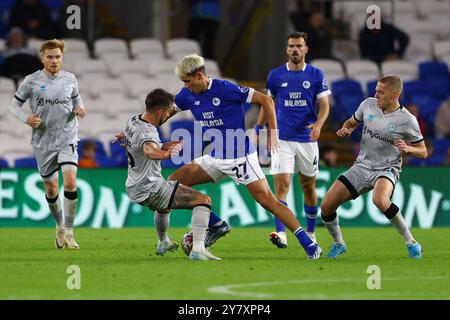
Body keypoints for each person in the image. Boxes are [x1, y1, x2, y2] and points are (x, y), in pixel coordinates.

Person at [165, 53, 322, 259]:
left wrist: (273, 134)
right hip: (215, 157)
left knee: (269, 202)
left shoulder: (226, 88)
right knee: (171, 185)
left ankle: (309, 244)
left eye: (188, 81)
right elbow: (166, 113)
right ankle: (216, 224)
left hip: (241, 157)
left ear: (200, 74)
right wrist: (142, 127)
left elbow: (266, 100)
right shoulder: (187, 95)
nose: (185, 86)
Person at [320, 75, 427, 259]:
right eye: (376, 90)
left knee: (380, 200)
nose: (376, 94)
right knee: (326, 206)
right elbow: (351, 122)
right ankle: (339, 244)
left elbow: (423, 151)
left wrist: (408, 148)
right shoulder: (367, 105)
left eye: (381, 92)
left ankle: (411, 242)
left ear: (395, 94)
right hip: (362, 166)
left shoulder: (407, 120)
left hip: (387, 168)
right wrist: (347, 129)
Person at [114, 88, 221, 261]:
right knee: (203, 200)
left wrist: (163, 145)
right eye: (167, 112)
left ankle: (163, 241)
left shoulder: (134, 121)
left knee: (164, 207)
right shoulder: (148, 131)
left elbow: (137, 140)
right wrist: (166, 154)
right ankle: (198, 250)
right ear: (160, 112)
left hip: (135, 186)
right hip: (150, 187)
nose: (167, 116)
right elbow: (149, 150)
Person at [9, 39, 86, 250]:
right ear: (42, 58)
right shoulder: (32, 81)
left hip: (67, 138)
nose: (54, 60)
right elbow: (13, 106)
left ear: (62, 58)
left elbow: (78, 103)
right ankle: (59, 226)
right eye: (50, 57)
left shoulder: (70, 79)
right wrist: (27, 119)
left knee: (70, 182)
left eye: (57, 57)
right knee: (52, 189)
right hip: (43, 142)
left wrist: (80, 110)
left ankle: (70, 232)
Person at [256, 32, 330, 248]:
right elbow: (267, 103)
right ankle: (281, 234)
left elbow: (324, 105)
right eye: (291, 46)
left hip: (307, 140)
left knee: (308, 186)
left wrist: (318, 125)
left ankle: (311, 232)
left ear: (306, 49)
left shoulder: (316, 75)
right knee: (282, 185)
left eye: (299, 46)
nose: (295, 49)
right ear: (287, 49)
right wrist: (259, 128)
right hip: (282, 139)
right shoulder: (276, 75)